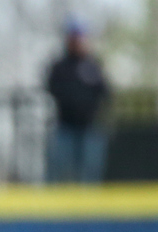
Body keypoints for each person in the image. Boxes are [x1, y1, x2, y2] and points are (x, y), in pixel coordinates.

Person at [45, 17, 110, 183]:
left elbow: (105, 91)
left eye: (80, 37)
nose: (77, 41)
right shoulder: (59, 66)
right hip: (65, 127)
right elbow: (51, 89)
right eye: (73, 37)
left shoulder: (93, 65)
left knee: (90, 173)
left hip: (90, 127)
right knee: (58, 171)